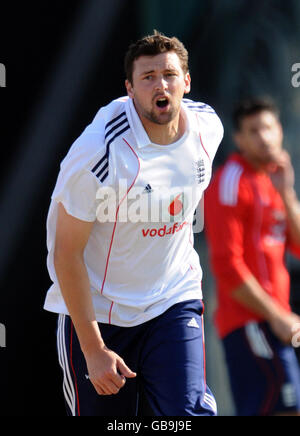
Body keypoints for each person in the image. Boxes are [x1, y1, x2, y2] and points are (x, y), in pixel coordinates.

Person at [44, 31, 224, 416]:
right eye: (147, 77)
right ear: (130, 89)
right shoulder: (99, 153)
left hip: (172, 298)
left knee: (187, 415)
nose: (161, 85)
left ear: (186, 82)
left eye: (170, 74)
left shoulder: (208, 129)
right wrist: (93, 350)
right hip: (99, 314)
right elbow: (66, 252)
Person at [205, 97, 300, 416]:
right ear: (239, 139)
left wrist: (287, 194)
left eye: (269, 127)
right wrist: (275, 315)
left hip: (277, 322)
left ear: (280, 129)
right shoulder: (231, 181)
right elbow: (226, 266)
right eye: (254, 131)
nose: (264, 137)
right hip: (251, 323)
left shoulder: (275, 180)